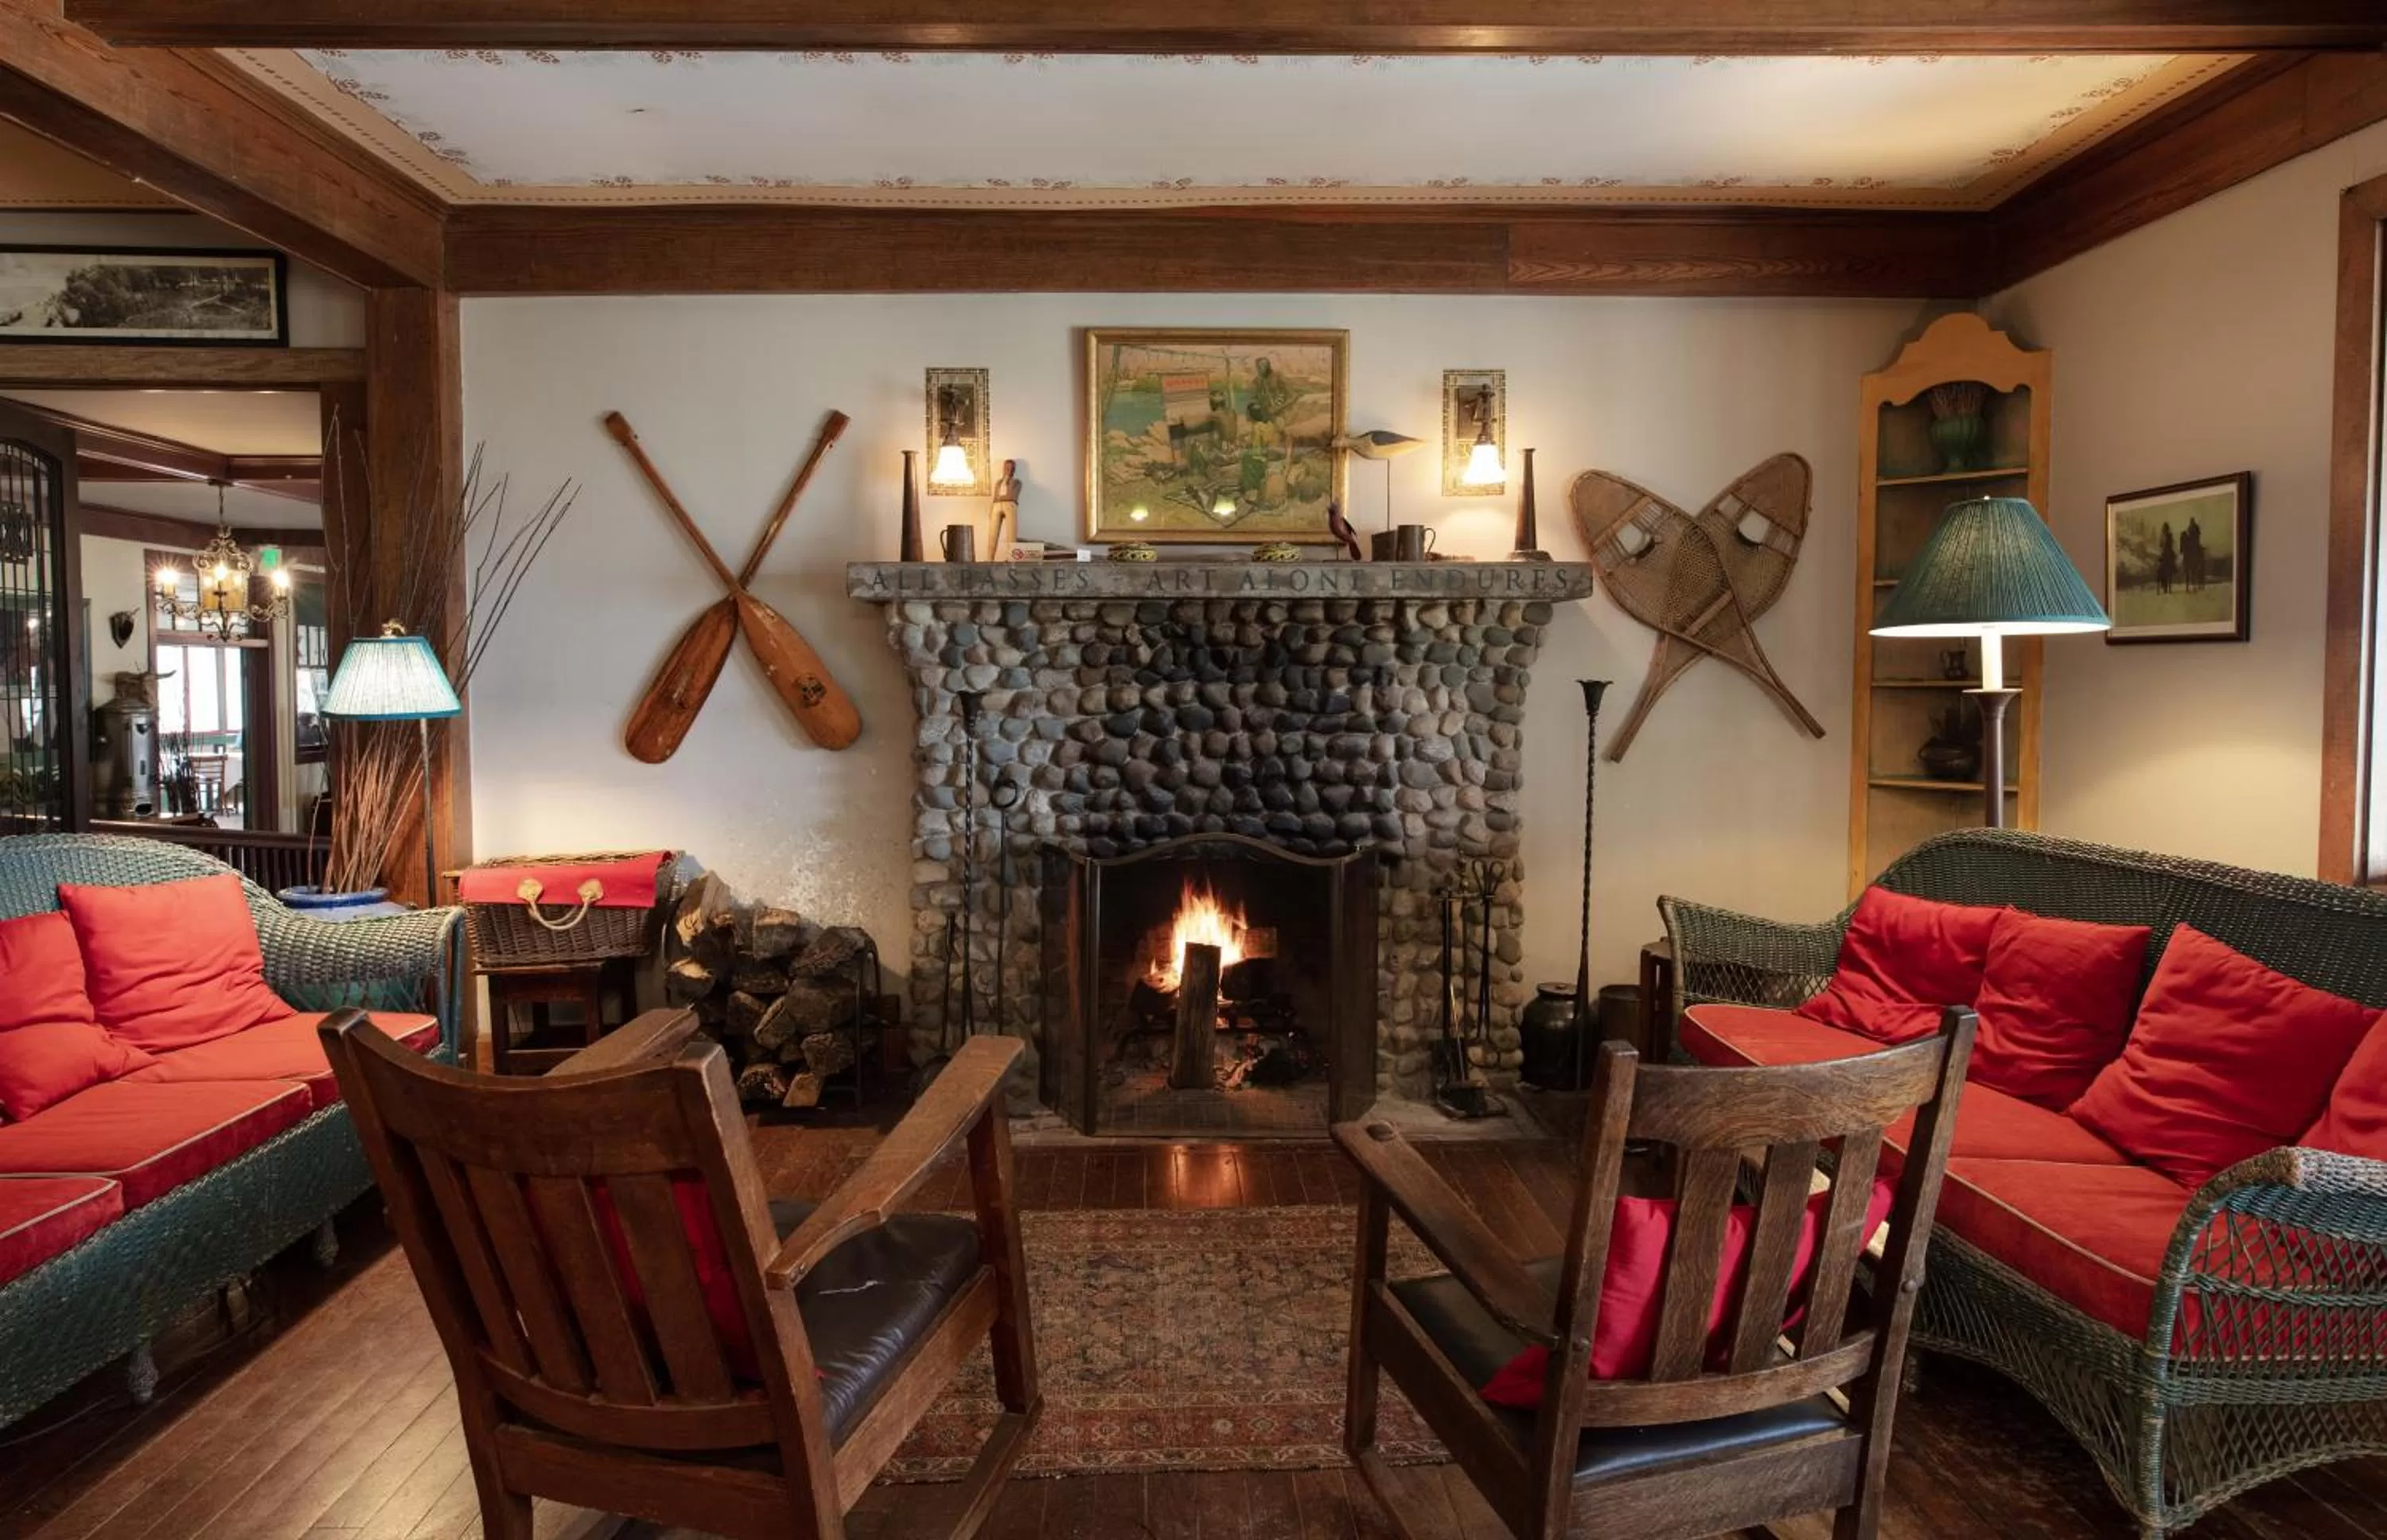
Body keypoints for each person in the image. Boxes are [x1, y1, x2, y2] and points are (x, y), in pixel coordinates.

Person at [2157, 521, 2178, 597]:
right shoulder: (2162, 536)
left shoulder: (2169, 535)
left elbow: (2171, 543)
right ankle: (2164, 584)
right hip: (2164, 553)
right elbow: (2160, 545)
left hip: (2168, 552)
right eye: (2164, 528)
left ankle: (2174, 569)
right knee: (2160, 567)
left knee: (2172, 561)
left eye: (2165, 528)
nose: (2165, 529)